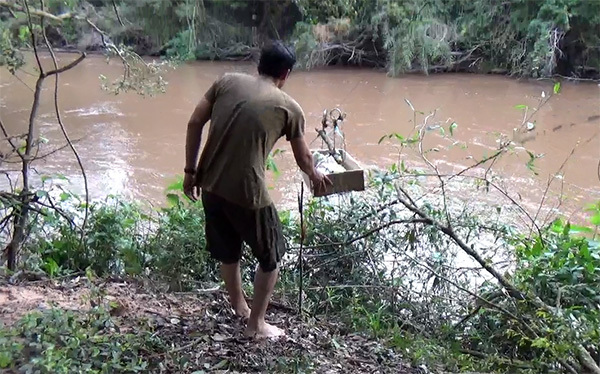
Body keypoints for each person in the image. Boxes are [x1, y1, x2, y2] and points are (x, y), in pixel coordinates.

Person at [182, 40, 331, 338]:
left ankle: (239, 305)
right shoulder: (289, 107)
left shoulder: (226, 81)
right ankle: (256, 325)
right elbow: (303, 158)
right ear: (286, 74)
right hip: (248, 194)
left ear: (259, 64)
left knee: (228, 250)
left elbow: (194, 123)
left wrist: (190, 171)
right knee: (271, 255)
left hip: (210, 184)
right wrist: (315, 176)